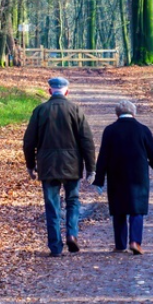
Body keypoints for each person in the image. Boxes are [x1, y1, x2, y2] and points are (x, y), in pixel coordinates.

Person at [23, 76, 96, 256]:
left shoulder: (40, 110)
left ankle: (55, 246)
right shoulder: (75, 110)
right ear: (67, 92)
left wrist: (30, 166)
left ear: (49, 91)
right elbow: (87, 141)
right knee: (73, 201)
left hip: (48, 165)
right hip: (72, 164)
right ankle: (72, 234)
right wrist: (91, 168)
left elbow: (28, 141)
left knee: (52, 205)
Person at [92, 100, 153, 255]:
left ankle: (120, 245)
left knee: (118, 210)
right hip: (138, 175)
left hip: (116, 175)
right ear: (134, 113)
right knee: (137, 209)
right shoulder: (142, 130)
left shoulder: (110, 130)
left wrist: (99, 179)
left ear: (117, 114)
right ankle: (135, 242)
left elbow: (103, 157)